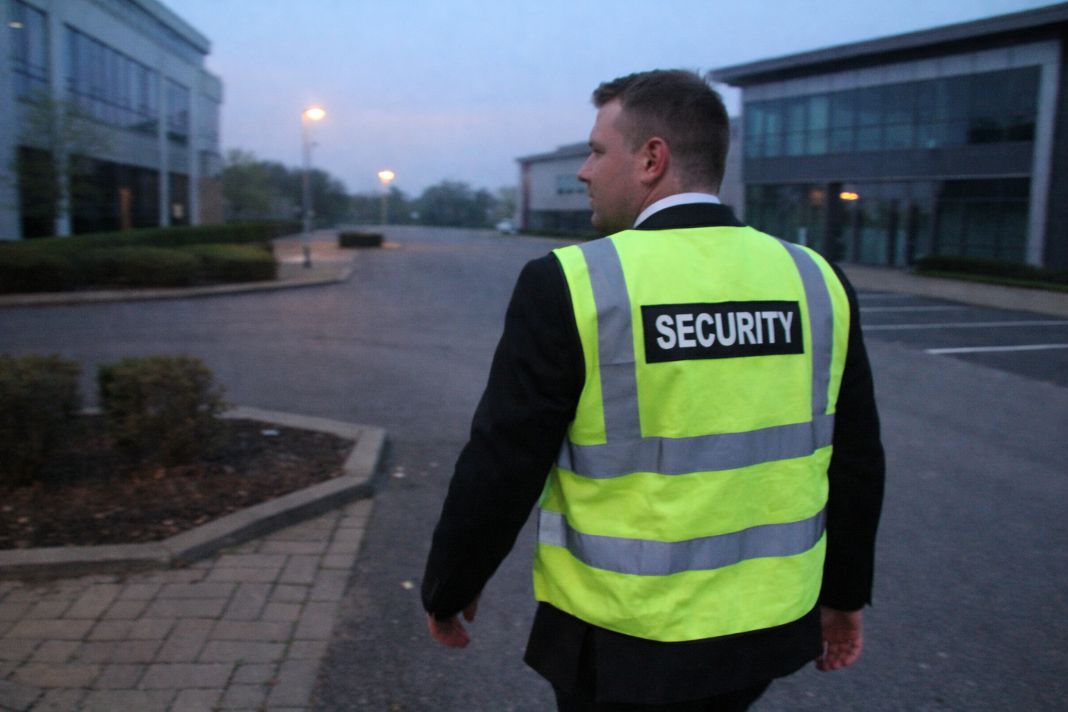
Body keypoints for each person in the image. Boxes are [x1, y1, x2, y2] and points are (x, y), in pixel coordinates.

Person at [422, 69, 884, 711]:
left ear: (651, 159)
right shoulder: (814, 279)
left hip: (622, 635)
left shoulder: (574, 282)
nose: (584, 170)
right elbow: (856, 459)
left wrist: (451, 584)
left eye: (596, 151)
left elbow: (503, 461)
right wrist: (844, 596)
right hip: (763, 629)